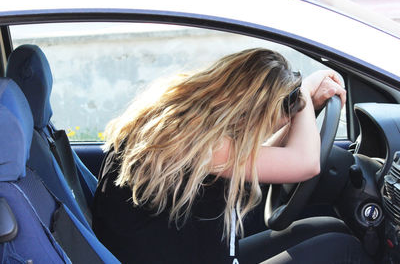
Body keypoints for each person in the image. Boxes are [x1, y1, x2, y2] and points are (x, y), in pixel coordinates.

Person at [92, 48, 371, 263]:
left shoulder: (182, 127)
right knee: (344, 250)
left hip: (185, 254)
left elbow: (263, 159)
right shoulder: (192, 141)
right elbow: (306, 164)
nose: (285, 120)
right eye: (281, 112)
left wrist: (305, 99)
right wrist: (304, 99)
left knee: (328, 227)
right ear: (251, 106)